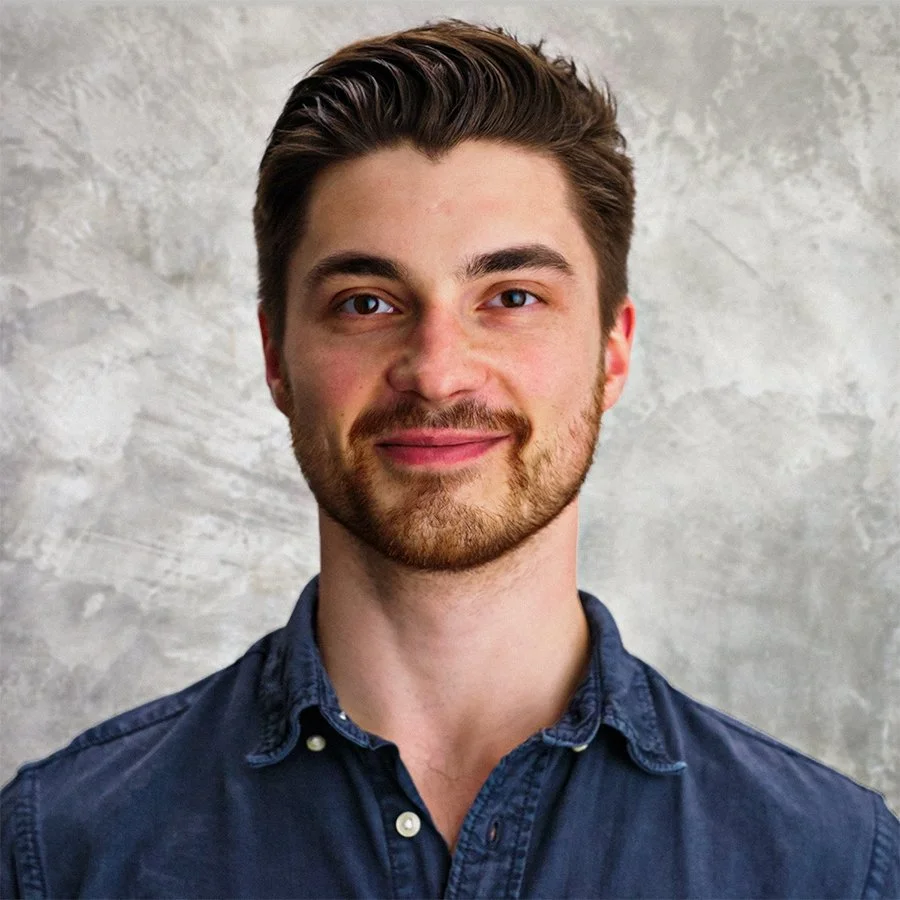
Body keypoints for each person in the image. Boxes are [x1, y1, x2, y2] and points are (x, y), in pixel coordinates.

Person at [2, 18, 897, 899]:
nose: (436, 371)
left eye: (510, 296)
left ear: (612, 352)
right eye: (365, 302)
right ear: (277, 358)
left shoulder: (831, 865)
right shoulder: (61, 851)